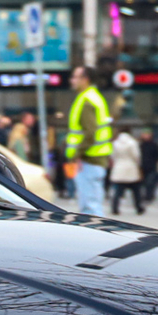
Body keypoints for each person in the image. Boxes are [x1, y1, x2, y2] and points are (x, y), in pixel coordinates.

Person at [64, 65, 114, 215]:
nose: (71, 80)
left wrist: (76, 155)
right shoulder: (93, 97)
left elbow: (90, 133)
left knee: (89, 208)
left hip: (88, 161)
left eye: (75, 77)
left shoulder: (86, 101)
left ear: (85, 79)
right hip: (93, 160)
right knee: (93, 203)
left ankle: (98, 238)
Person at [107, 126, 145, 214]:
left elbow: (113, 156)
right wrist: (138, 165)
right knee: (136, 191)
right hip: (131, 167)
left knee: (118, 191)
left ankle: (115, 208)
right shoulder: (132, 142)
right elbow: (136, 156)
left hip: (119, 167)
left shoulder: (115, 143)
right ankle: (138, 207)